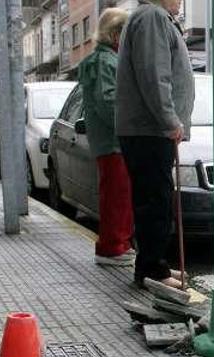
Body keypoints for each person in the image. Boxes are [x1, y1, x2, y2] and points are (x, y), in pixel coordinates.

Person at [116, 0, 193, 289]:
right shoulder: (153, 18)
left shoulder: (153, 18)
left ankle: (154, 264)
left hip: (148, 129)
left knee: (156, 199)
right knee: (154, 201)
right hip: (149, 130)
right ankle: (151, 271)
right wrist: (170, 120)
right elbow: (154, 75)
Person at [79, 8, 134, 267]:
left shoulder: (101, 59)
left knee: (118, 194)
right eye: (126, 33)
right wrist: (126, 127)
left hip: (107, 140)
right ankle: (112, 247)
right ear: (114, 34)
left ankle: (119, 244)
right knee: (117, 195)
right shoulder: (108, 61)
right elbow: (108, 100)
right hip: (114, 140)